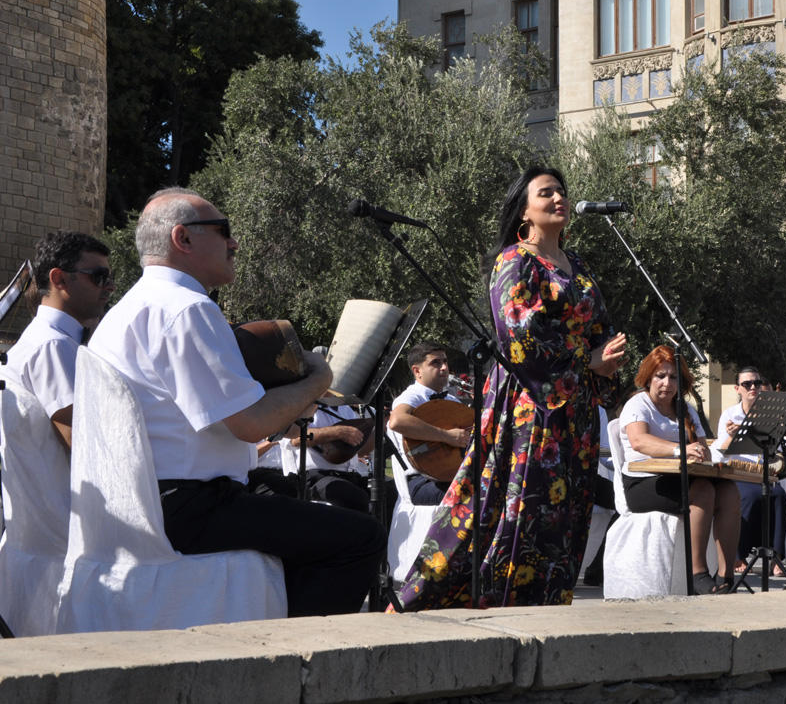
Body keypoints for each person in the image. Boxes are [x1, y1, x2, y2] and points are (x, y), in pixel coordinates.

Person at [87, 187, 386, 617]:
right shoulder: (187, 309)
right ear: (182, 239)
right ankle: (293, 665)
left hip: (143, 503)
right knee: (361, 538)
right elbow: (249, 424)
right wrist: (320, 379)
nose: (234, 243)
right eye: (223, 231)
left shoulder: (129, 309)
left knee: (309, 520)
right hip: (188, 508)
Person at [396, 166, 627, 609]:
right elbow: (520, 337)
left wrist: (606, 359)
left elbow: (599, 326)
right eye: (546, 193)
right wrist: (586, 360)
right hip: (530, 409)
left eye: (561, 191)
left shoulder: (577, 266)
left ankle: (549, 606)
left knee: (564, 519)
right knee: (521, 511)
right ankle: (485, 607)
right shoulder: (514, 262)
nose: (558, 197)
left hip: (575, 414)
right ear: (524, 209)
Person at [620, 345, 740, 594]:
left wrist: (705, 450)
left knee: (729, 490)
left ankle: (725, 575)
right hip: (643, 482)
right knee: (703, 490)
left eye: (673, 377)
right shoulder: (637, 404)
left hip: (681, 478)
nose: (667, 383)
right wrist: (681, 450)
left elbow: (701, 444)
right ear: (648, 377)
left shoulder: (686, 410)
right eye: (660, 376)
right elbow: (639, 441)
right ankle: (697, 574)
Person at [4, 231, 113, 448]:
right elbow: (83, 441)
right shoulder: (53, 345)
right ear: (59, 279)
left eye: (110, 277)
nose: (110, 286)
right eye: (98, 276)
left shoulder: (45, 338)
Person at [713, 366, 786, 575]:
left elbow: (777, 452)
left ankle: (776, 556)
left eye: (756, 383)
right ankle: (738, 555)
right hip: (737, 474)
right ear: (738, 388)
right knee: (749, 497)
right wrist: (733, 436)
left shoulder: (771, 416)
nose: (753, 387)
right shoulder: (729, 414)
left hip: (761, 474)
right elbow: (720, 452)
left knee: (779, 495)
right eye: (747, 384)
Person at [386, 342, 470, 505]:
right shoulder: (411, 397)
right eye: (436, 363)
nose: (445, 367)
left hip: (453, 476)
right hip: (420, 482)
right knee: (470, 494)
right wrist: (446, 436)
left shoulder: (452, 401)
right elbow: (397, 421)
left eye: (445, 361)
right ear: (417, 371)